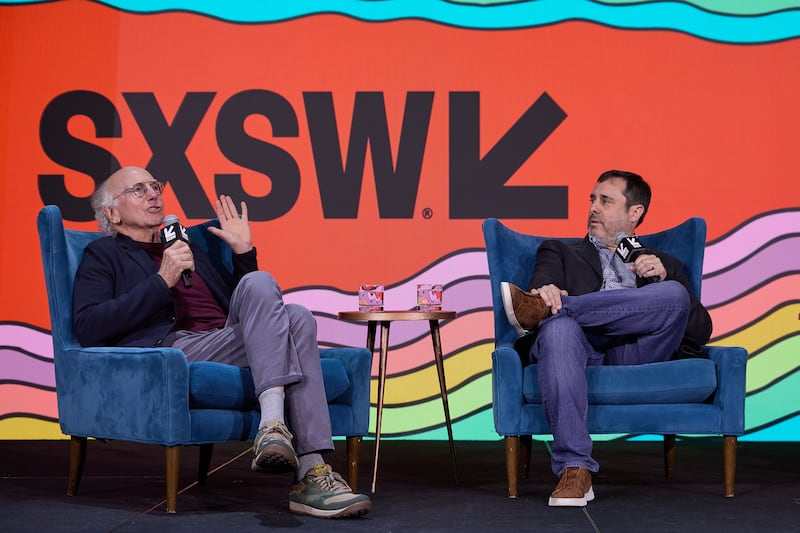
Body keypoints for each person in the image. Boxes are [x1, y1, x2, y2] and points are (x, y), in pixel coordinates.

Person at [72, 166, 372, 519]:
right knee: (296, 321)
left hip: (227, 338)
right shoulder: (104, 255)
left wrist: (243, 253)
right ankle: (311, 470)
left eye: (155, 185)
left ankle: (273, 427)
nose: (154, 194)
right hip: (177, 349)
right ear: (112, 212)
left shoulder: (188, 247)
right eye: (138, 190)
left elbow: (254, 307)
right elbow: (88, 326)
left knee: (293, 312)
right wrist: (160, 280)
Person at [500, 170, 712, 508]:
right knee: (557, 328)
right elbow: (546, 283)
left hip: (641, 352)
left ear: (635, 213)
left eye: (605, 201)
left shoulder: (665, 263)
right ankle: (575, 468)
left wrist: (662, 277)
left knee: (672, 295)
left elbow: (701, 330)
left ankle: (556, 309)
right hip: (577, 351)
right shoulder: (558, 251)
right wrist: (547, 292)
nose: (593, 208)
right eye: (592, 200)